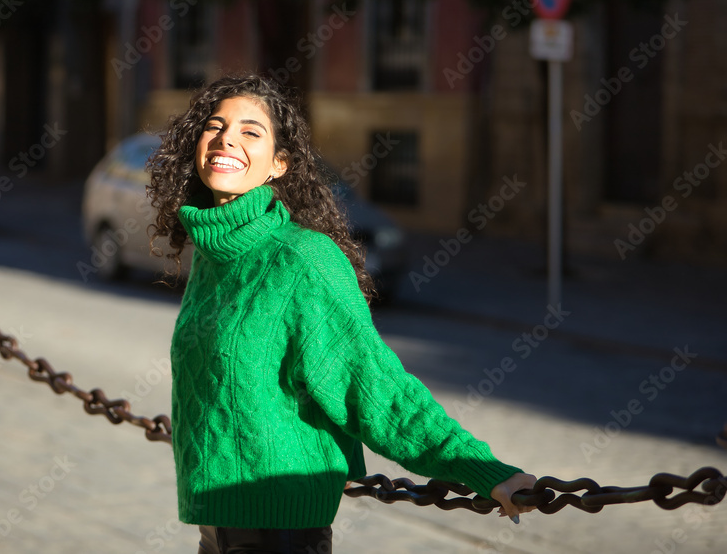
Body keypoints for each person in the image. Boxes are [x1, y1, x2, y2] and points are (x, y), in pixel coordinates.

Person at [145, 74, 536, 553]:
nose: (227, 138)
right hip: (218, 523)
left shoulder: (301, 260)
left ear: (279, 164)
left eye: (251, 131)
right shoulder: (215, 255)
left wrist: (481, 469)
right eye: (214, 125)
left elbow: (373, 383)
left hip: (278, 531)